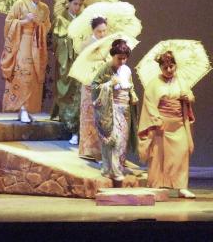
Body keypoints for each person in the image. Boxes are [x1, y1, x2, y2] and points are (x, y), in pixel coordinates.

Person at [138, 51, 196, 198]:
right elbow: (149, 103)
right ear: (160, 67)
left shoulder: (181, 82)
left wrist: (187, 97)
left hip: (178, 125)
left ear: (175, 66)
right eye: (165, 67)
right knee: (158, 156)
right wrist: (156, 118)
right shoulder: (153, 84)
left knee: (181, 154)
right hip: (161, 125)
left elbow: (191, 96)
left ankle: (181, 187)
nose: (169, 70)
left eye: (171, 66)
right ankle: (156, 185)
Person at [0, 0, 51, 122]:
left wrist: (39, 24)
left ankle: (28, 108)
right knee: (23, 74)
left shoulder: (44, 8)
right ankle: (21, 107)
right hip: (22, 42)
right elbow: (9, 23)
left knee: (34, 76)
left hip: (37, 44)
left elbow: (47, 26)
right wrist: (25, 21)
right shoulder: (20, 4)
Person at [91, 39, 138, 182]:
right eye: (119, 58)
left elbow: (130, 86)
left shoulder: (127, 70)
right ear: (113, 56)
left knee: (122, 140)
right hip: (111, 108)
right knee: (112, 140)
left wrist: (133, 94)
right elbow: (94, 86)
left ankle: (117, 167)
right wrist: (109, 84)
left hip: (125, 109)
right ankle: (111, 169)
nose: (122, 61)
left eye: (125, 58)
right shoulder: (105, 69)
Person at [51, 0, 84, 143]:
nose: (77, 7)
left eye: (80, 4)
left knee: (77, 93)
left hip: (78, 59)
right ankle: (65, 121)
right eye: (75, 4)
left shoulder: (83, 20)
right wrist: (67, 39)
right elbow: (55, 40)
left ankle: (75, 127)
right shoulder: (60, 19)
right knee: (64, 89)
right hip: (65, 60)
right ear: (68, 3)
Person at [78, 16, 108, 161]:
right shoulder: (86, 44)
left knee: (102, 117)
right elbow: (83, 64)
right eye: (99, 31)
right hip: (89, 83)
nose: (102, 34)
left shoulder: (108, 44)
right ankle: (88, 150)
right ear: (93, 30)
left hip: (103, 84)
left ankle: (102, 152)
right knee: (89, 116)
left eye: (104, 31)